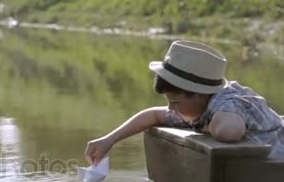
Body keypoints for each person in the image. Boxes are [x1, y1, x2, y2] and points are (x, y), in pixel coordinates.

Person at [84, 40, 284, 164]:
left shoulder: (228, 104)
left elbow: (229, 131)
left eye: (174, 101)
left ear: (199, 94)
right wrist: (108, 140)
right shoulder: (195, 104)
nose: (171, 108)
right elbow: (153, 114)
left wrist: (205, 127)